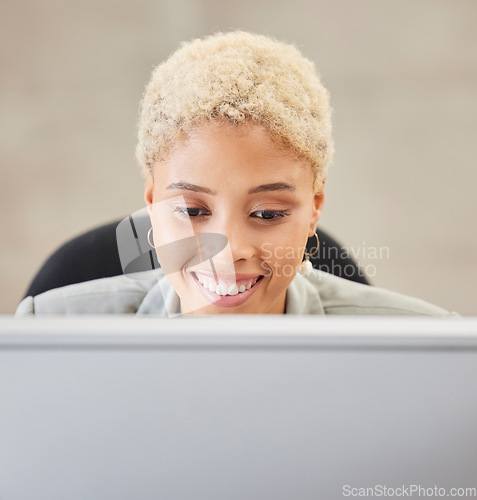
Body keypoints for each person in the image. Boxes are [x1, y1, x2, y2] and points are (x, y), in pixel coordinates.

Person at [15, 31, 456, 317]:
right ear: (150, 203)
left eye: (267, 213)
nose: (227, 254)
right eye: (191, 209)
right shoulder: (45, 330)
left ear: (314, 207)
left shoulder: (424, 346)